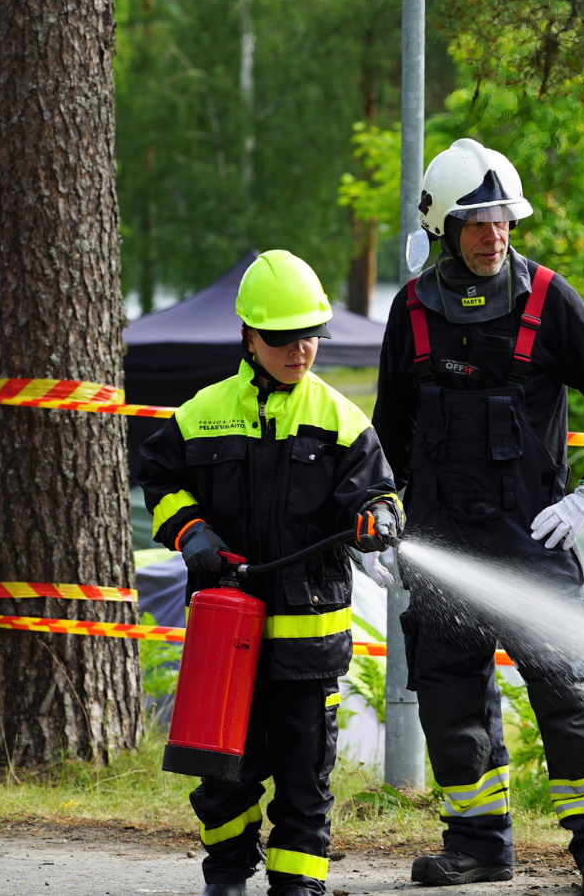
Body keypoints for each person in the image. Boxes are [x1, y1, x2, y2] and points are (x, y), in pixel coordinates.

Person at [371, 138, 584, 892]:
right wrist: (380, 513)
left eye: (504, 220)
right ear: (442, 230)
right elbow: (388, 427)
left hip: (532, 535)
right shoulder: (411, 310)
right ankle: (479, 846)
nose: (495, 235)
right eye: (478, 222)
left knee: (567, 687)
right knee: (452, 697)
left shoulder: (549, 298)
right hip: (441, 539)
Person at [140, 250, 404, 896]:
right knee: (221, 778)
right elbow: (160, 477)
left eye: (309, 335)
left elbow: (379, 496)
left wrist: (379, 517)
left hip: (308, 647)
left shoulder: (343, 422)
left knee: (304, 783)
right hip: (224, 642)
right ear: (248, 337)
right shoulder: (201, 413)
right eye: (282, 338)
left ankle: (297, 887)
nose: (300, 349)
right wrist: (188, 529)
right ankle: (226, 878)